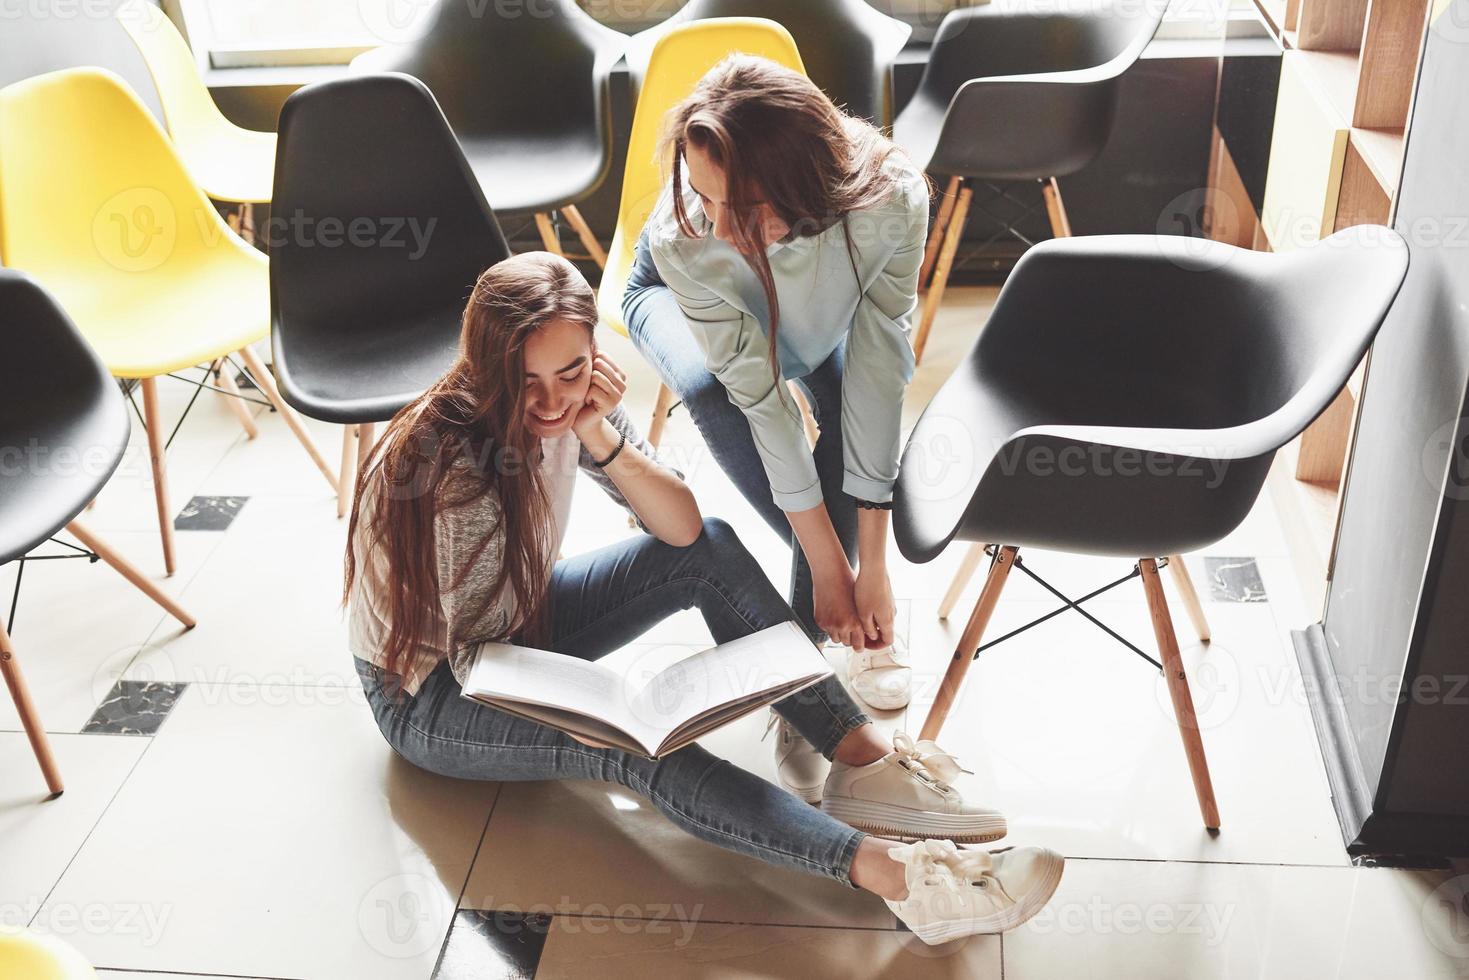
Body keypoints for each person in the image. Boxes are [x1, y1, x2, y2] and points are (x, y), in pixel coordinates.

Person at [345, 252, 1062, 944]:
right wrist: (604, 709)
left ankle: (862, 757)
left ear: (592, 355)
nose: (551, 401)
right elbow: (482, 647)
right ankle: (907, 883)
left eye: (571, 372)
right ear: (486, 367)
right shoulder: (453, 466)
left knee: (710, 550)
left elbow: (683, 530)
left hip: (513, 616)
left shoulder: (575, 407)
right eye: (525, 382)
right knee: (636, 746)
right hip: (430, 686)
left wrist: (597, 433)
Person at [623, 55, 924, 795]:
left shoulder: (892, 200)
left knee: (851, 402)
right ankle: (811, 678)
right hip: (678, 292)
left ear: (807, 182)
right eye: (702, 194)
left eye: (745, 204)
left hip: (817, 292)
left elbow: (880, 376)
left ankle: (810, 658)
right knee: (717, 392)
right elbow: (762, 400)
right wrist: (831, 569)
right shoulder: (691, 239)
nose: (722, 227)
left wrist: (875, 566)